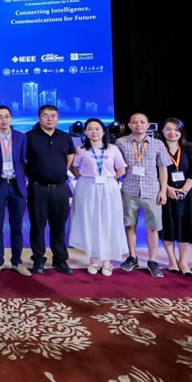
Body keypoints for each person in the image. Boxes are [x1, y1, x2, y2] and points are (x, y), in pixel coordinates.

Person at [68, 118, 128, 276]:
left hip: (108, 188)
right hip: (87, 187)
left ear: (103, 131)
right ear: (85, 132)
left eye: (97, 128)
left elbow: (121, 169)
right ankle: (93, 260)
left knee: (109, 222)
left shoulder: (113, 149)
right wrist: (83, 178)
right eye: (90, 129)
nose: (94, 132)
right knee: (91, 222)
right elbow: (74, 167)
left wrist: (109, 180)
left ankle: (107, 261)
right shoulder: (80, 149)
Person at [115, 112, 171, 277]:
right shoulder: (121, 142)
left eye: (142, 122)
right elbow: (116, 165)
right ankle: (132, 257)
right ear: (129, 125)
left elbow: (163, 168)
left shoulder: (158, 144)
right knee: (130, 225)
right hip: (129, 189)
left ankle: (152, 260)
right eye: (134, 122)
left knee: (153, 228)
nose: (138, 125)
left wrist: (163, 190)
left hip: (152, 190)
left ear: (148, 125)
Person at [24, 104, 76, 275]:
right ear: (39, 118)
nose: (50, 119)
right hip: (38, 188)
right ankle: (38, 258)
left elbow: (69, 158)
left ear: (58, 118)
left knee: (59, 226)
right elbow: (22, 161)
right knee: (38, 225)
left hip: (60, 189)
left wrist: (56, 172)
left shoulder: (64, 137)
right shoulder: (29, 137)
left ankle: (60, 259)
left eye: (53, 116)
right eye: (45, 115)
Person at [0, 105, 30, 277]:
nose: (4, 120)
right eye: (0, 117)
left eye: (7, 116)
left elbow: (23, 160)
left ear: (12, 118)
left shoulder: (21, 137)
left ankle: (17, 261)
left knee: (17, 226)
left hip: (17, 185)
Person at [159, 117, 192, 277]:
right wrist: (167, 189)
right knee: (168, 225)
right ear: (163, 131)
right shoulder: (157, 149)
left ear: (181, 132)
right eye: (168, 129)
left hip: (187, 194)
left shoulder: (190, 150)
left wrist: (184, 190)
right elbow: (154, 172)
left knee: (186, 225)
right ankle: (172, 261)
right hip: (165, 193)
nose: (172, 133)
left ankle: (183, 262)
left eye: (176, 130)